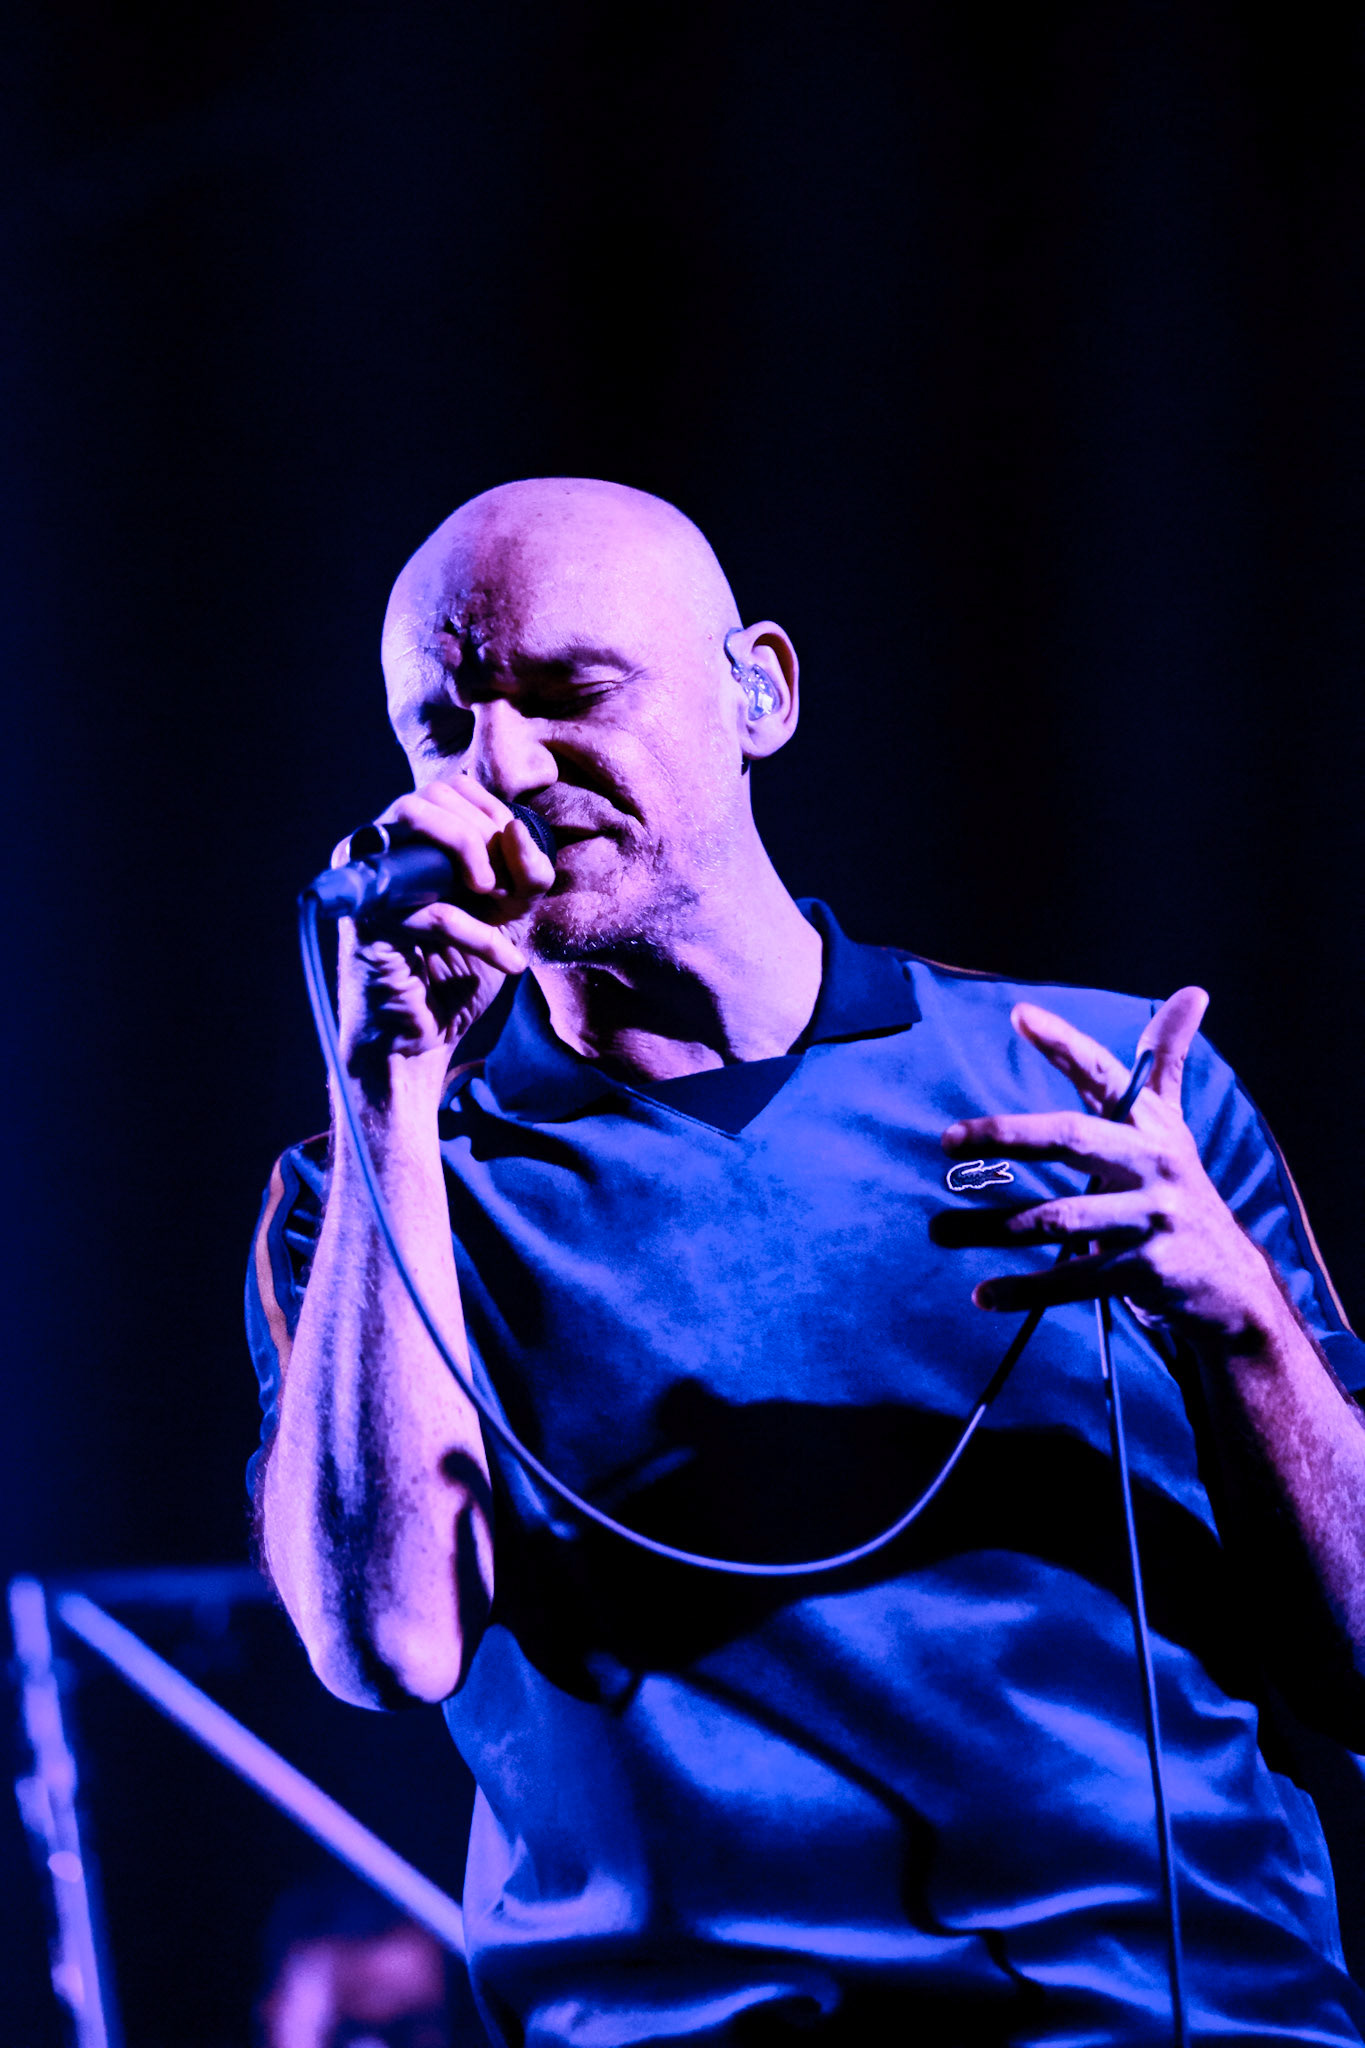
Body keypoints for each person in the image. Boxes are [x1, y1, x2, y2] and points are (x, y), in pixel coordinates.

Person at [248, 477, 1365, 2045]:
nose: (502, 768)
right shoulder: (380, 1189)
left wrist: (1239, 1323)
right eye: (445, 728)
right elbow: (386, 1645)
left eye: (570, 692)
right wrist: (386, 1090)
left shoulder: (1096, 1080)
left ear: (758, 690)